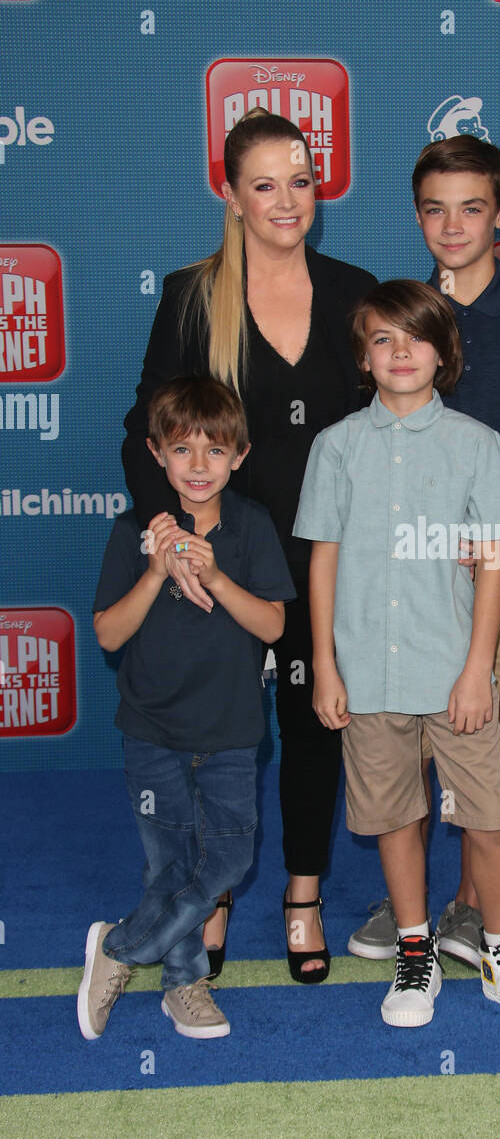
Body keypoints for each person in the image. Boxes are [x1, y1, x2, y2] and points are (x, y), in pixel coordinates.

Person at [121, 108, 376, 982]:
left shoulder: (354, 293)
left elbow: (388, 432)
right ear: (230, 195)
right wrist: (178, 539)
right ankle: (216, 889)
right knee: (221, 739)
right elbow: (142, 430)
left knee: (313, 726)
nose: (286, 200)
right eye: (264, 184)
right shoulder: (194, 296)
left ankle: (302, 897)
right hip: (217, 566)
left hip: (323, 563)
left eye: (301, 182)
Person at [295, 280, 500, 1029]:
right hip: (370, 674)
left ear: (443, 353)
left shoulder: (476, 446)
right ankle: (414, 952)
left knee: (487, 818)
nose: (399, 353)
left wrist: (477, 668)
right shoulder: (336, 448)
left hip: (455, 674)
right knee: (395, 815)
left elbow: (494, 564)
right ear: (363, 355)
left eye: (415, 338)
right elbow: (322, 558)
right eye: (382, 339)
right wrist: (325, 663)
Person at [347, 136, 500, 968]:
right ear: (417, 215)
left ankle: (471, 908)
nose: (453, 224)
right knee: (400, 742)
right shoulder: (395, 313)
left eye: (472, 206)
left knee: (493, 741)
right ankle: (415, 914)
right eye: (435, 208)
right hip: (406, 561)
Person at [80, 375, 294, 1040]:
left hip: (231, 732)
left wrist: (215, 576)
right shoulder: (134, 532)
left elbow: (273, 627)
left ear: (240, 455)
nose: (199, 466)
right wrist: (155, 570)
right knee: (169, 866)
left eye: (215, 450)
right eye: (182, 450)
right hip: (153, 732)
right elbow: (109, 633)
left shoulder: (253, 527)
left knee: (229, 861)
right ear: (156, 454)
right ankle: (184, 982)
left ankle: (119, 948)